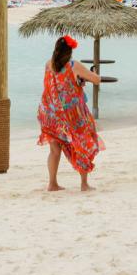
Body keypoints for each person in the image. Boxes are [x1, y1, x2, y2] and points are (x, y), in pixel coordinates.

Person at [37, 36, 103, 191]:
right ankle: (84, 184)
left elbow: (56, 87)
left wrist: (78, 81)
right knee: (82, 144)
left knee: (54, 150)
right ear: (69, 52)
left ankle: (52, 183)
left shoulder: (48, 64)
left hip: (50, 113)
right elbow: (97, 80)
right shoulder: (74, 65)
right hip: (70, 115)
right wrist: (93, 73)